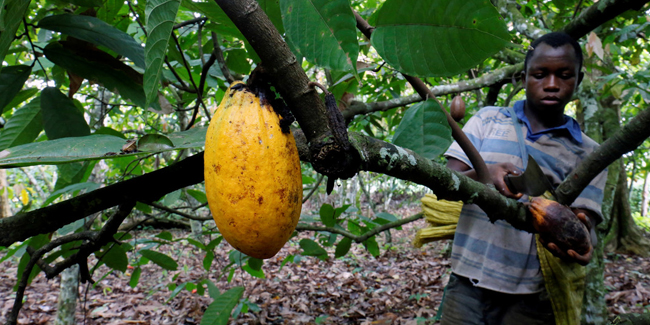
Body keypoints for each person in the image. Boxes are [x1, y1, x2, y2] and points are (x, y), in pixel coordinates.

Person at [440, 32, 607, 324]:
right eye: (540, 74)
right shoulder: (486, 120)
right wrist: (485, 174)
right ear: (523, 77)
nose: (552, 84)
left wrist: (582, 243)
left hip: (533, 295)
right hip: (468, 283)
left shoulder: (588, 153)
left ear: (578, 80)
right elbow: (446, 182)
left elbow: (584, 222)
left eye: (564, 75)